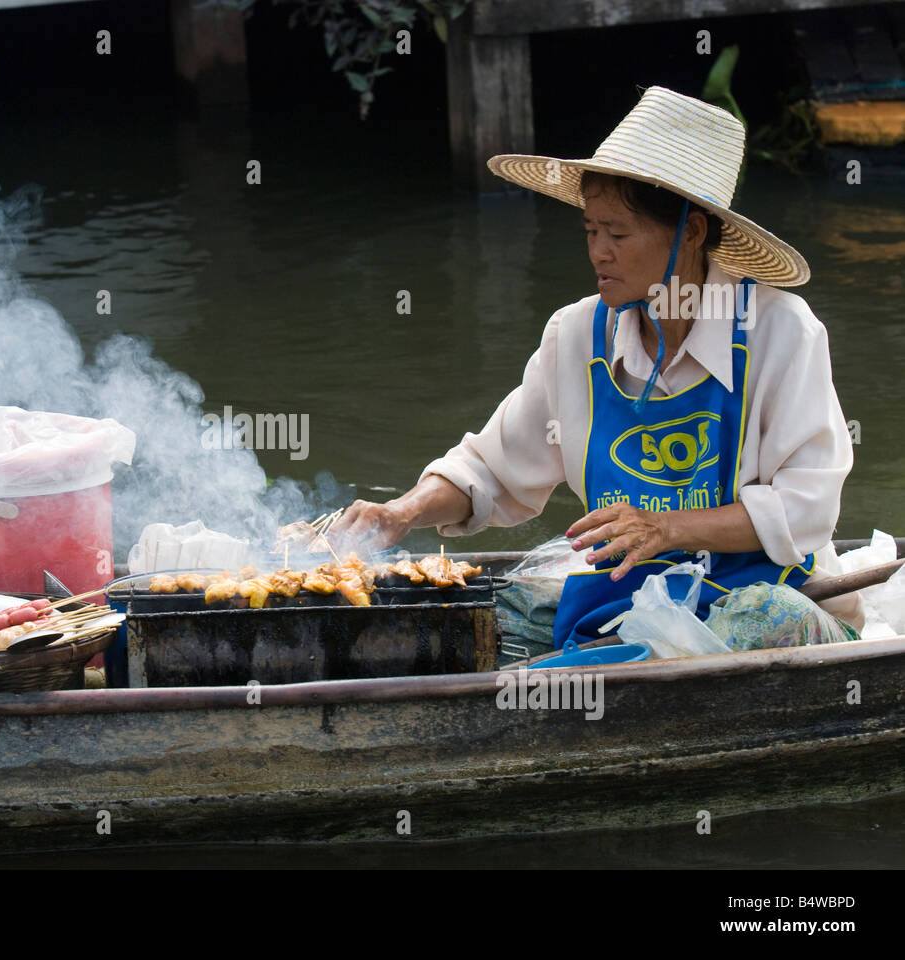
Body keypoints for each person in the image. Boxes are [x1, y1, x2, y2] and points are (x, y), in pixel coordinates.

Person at [333, 86, 861, 649]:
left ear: (693, 232)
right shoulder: (578, 334)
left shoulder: (781, 333)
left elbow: (807, 509)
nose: (597, 253)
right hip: (629, 601)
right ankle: (623, 668)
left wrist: (668, 528)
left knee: (766, 615)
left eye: (618, 234)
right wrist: (401, 512)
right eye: (590, 230)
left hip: (761, 596)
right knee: (471, 615)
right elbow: (490, 469)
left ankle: (627, 675)